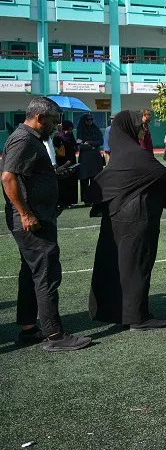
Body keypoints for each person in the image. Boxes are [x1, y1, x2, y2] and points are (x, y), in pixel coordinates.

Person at [2, 96, 91, 351]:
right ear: (39, 118)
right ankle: (54, 335)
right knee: (46, 274)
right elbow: (8, 178)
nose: (55, 126)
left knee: (31, 274)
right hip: (33, 221)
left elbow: (27, 175)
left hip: (37, 217)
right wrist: (26, 213)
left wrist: (54, 175)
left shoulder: (32, 139)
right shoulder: (24, 139)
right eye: (52, 121)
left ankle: (29, 328)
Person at [89, 111, 166, 330]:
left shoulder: (118, 154)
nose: (142, 130)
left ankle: (121, 313)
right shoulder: (135, 154)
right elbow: (164, 175)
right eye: (139, 127)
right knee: (137, 265)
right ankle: (138, 317)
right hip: (137, 218)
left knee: (120, 266)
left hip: (118, 217)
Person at [76, 113, 105, 204]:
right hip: (85, 158)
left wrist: (88, 142)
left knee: (95, 179)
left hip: (95, 158)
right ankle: (86, 199)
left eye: (91, 119)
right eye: (88, 120)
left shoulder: (96, 129)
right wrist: (92, 145)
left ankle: (94, 198)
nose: (90, 122)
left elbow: (100, 141)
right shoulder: (80, 130)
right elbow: (79, 144)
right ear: (84, 121)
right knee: (84, 179)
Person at [56, 120, 78, 208]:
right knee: (63, 182)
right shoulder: (58, 136)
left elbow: (73, 145)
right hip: (62, 161)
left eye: (71, 130)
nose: (70, 131)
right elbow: (57, 145)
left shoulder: (70, 136)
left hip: (71, 160)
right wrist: (59, 134)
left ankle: (71, 201)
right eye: (68, 129)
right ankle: (62, 202)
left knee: (71, 182)